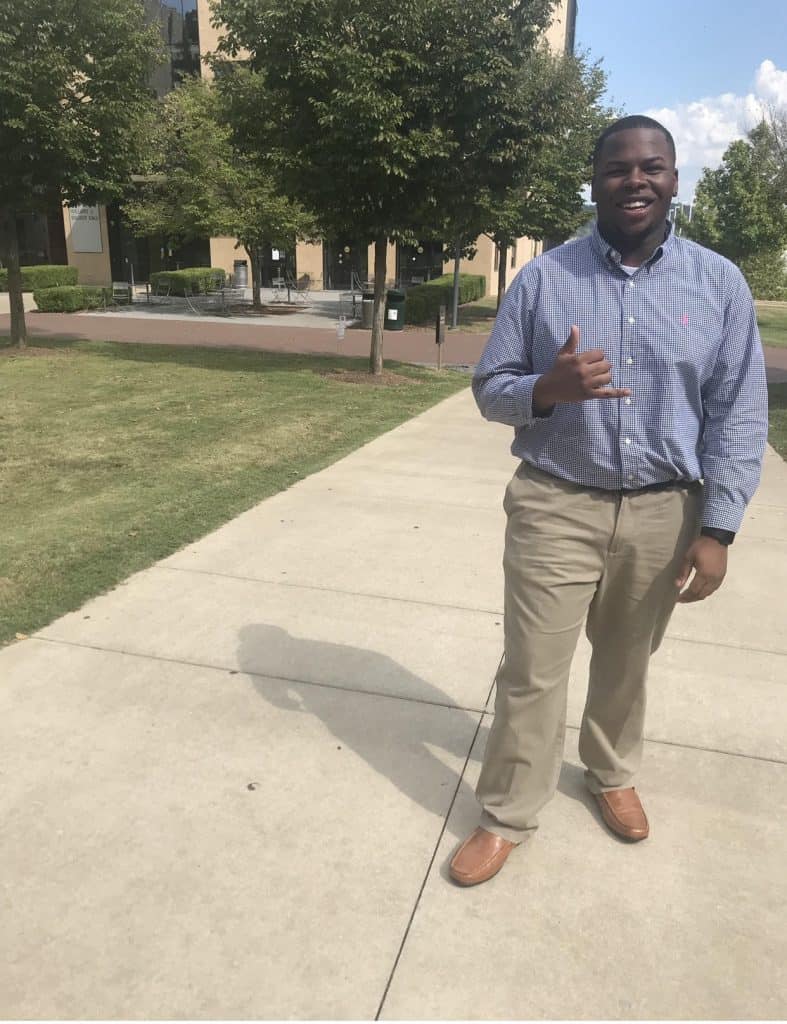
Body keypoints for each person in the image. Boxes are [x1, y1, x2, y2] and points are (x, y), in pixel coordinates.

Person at [449, 115, 768, 887]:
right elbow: (490, 389)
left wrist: (719, 527)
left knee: (627, 662)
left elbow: (736, 413)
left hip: (664, 511)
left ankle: (609, 772)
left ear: (673, 180)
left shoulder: (718, 284)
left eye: (651, 166)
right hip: (556, 501)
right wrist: (545, 390)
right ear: (592, 182)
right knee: (532, 668)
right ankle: (507, 812)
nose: (635, 180)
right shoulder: (544, 279)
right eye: (617, 168)